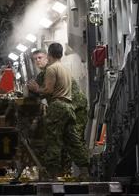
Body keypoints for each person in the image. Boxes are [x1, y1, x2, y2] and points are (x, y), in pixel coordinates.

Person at [27, 43, 90, 179]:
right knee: (72, 140)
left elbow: (46, 90)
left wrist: (36, 90)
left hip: (66, 107)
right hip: (69, 108)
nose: (37, 61)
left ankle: (53, 173)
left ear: (48, 56)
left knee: (53, 141)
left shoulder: (51, 70)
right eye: (35, 59)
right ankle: (84, 171)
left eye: (40, 57)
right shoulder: (64, 68)